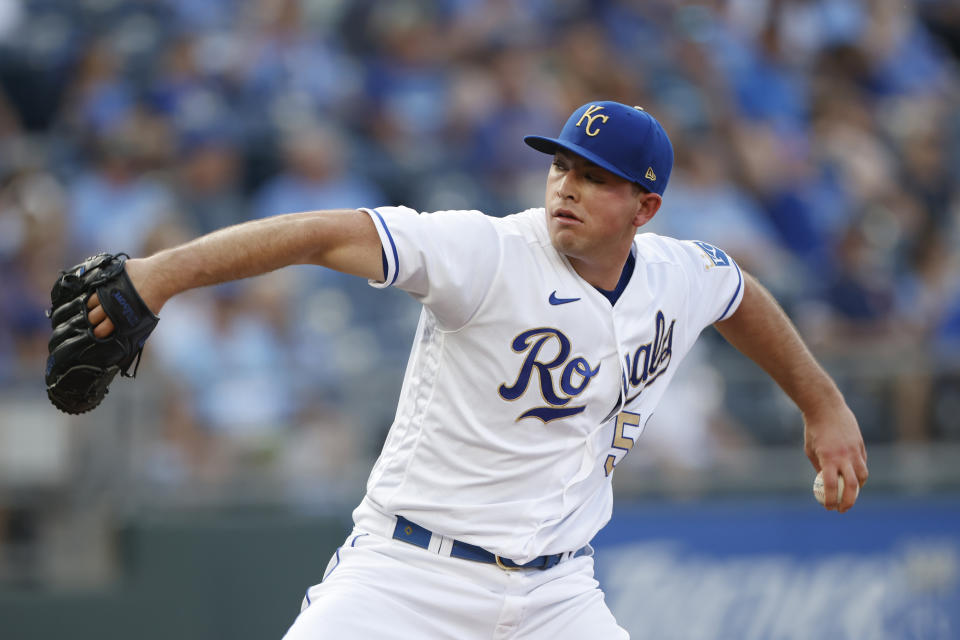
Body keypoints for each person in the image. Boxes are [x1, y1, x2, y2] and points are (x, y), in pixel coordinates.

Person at [85, 101, 868, 638]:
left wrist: (821, 403)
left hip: (556, 593)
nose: (567, 186)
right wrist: (158, 276)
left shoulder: (677, 274)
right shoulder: (487, 251)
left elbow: (738, 294)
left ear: (646, 208)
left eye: (594, 177)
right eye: (562, 166)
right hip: (407, 574)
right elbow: (323, 233)